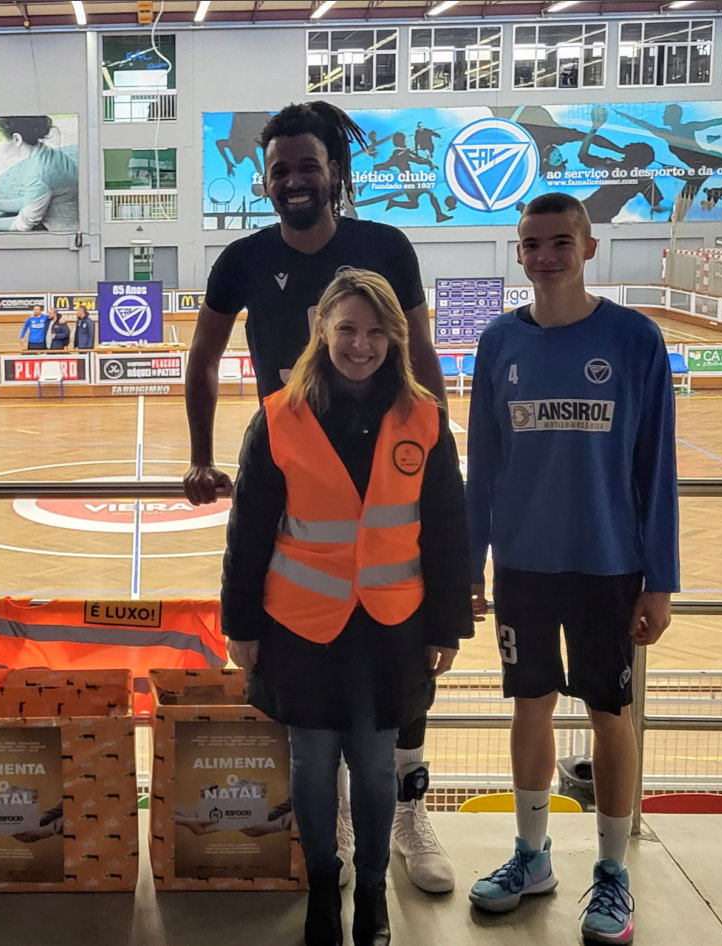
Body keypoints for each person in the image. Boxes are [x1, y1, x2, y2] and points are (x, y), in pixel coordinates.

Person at [184, 101, 457, 895]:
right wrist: (201, 457)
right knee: (314, 665)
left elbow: (421, 355)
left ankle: (406, 814)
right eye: (280, 169)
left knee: (402, 660)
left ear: (334, 171)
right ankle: (334, 817)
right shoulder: (241, 259)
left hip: (387, 474)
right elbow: (201, 358)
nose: (294, 180)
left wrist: (436, 451)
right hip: (300, 485)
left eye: (308, 165)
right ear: (263, 179)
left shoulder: (385, 246)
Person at [223, 269, 470, 946]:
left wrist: (447, 625)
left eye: (375, 331)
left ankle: (371, 892)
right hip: (300, 627)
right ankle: (322, 889)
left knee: (374, 763)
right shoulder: (277, 417)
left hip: (391, 629)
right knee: (310, 764)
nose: (360, 345)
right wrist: (240, 625)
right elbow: (248, 533)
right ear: (322, 332)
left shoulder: (425, 418)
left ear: (395, 338)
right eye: (347, 329)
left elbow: (447, 528)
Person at [465, 193, 679, 946]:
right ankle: (532, 857)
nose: (545, 256)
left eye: (560, 242)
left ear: (588, 248)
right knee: (529, 707)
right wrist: (470, 566)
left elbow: (657, 468)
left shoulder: (634, 339)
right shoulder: (498, 342)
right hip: (522, 563)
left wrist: (659, 579)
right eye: (532, 244)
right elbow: (482, 466)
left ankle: (613, 872)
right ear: (519, 252)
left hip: (607, 564)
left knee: (608, 714)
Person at [0, 115, 79, 232]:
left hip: (62, 232)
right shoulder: (48, 153)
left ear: (17, 139)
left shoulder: (38, 173)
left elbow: (23, 225)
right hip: (69, 218)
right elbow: (30, 201)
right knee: (5, 216)